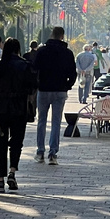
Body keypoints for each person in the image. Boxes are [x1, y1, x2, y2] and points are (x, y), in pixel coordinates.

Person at [0, 37, 36, 193]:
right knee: (16, 142)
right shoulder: (25, 66)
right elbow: (33, 87)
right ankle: (12, 172)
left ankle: (0, 180)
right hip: (19, 108)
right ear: (18, 49)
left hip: (0, 108)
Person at [32, 27, 77, 164]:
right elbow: (73, 73)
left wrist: (37, 84)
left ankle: (40, 152)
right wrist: (67, 85)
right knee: (56, 122)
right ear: (62, 36)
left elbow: (34, 69)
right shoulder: (67, 53)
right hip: (60, 90)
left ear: (52, 35)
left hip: (44, 89)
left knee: (41, 121)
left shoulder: (42, 51)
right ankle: (53, 153)